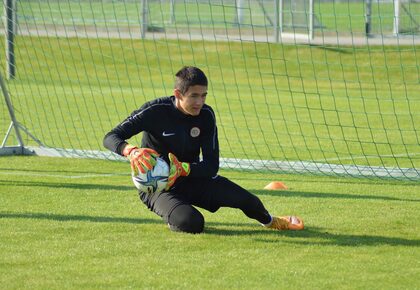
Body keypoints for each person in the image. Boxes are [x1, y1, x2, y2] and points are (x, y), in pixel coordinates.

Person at [103, 66, 304, 234]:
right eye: (194, 96)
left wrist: (183, 169)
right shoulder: (154, 111)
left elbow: (211, 166)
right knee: (192, 223)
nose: (200, 102)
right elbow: (111, 137)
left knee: (248, 200)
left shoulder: (206, 116)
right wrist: (130, 150)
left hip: (192, 178)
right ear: (178, 94)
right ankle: (173, 212)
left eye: (204, 95)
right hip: (158, 187)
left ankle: (272, 221)